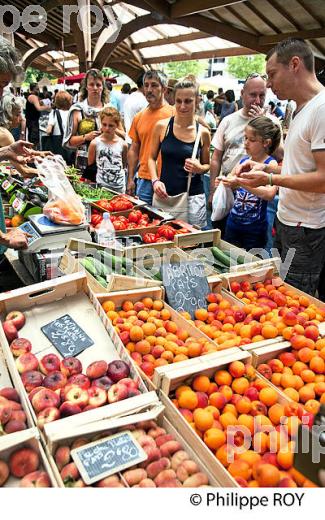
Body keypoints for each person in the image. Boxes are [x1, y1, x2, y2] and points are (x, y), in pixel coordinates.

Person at [236, 38, 325, 296]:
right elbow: (299, 166)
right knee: (278, 292)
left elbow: (322, 179)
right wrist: (267, 169)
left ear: (295, 64)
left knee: (295, 300)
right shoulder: (301, 109)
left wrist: (271, 180)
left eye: (272, 74)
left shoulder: (321, 109)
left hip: (306, 228)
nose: (269, 84)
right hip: (288, 220)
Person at [209, 72, 283, 235]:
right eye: (253, 95)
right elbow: (216, 158)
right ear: (242, 94)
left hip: (258, 198)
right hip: (229, 191)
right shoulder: (228, 120)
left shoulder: (273, 122)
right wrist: (213, 190)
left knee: (253, 241)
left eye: (262, 95)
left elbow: (281, 156)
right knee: (225, 238)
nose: (257, 100)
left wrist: (263, 124)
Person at [148, 80, 211, 228]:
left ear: (197, 100)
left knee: (192, 242)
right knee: (163, 238)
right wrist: (155, 181)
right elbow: (151, 158)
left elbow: (207, 164)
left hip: (193, 197)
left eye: (188, 101)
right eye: (179, 101)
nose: (182, 106)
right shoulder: (162, 126)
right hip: (165, 194)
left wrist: (199, 168)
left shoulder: (203, 132)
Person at [215, 116, 280, 250]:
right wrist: (223, 181)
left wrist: (240, 182)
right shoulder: (243, 161)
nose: (246, 143)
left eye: (251, 140)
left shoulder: (271, 164)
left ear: (266, 143)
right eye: (245, 138)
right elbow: (230, 180)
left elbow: (269, 194)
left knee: (251, 264)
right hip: (233, 223)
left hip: (255, 229)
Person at [127, 70, 174, 204]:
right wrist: (130, 179)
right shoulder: (139, 117)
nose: (149, 89)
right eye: (146, 85)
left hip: (167, 179)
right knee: (144, 219)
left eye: (154, 85)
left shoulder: (174, 114)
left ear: (164, 89)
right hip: (144, 179)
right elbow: (134, 149)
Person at [63, 69, 109, 181]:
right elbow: (68, 141)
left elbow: (122, 136)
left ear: (103, 87)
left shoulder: (109, 110)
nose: (95, 88)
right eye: (91, 84)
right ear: (86, 87)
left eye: (98, 85)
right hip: (83, 165)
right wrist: (86, 137)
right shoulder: (77, 110)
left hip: (106, 164)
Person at [88, 107, 127, 193]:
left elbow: (123, 165)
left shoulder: (123, 144)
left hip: (119, 187)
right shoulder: (95, 143)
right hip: (102, 186)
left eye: (111, 125)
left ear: (116, 125)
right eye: (104, 124)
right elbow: (90, 165)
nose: (107, 128)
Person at [45, 90, 74, 163]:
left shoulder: (54, 113)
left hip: (57, 143)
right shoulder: (72, 113)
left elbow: (49, 130)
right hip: (71, 142)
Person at [123, 72, 147, 145]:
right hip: (139, 142)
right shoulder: (144, 100)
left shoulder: (129, 98)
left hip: (128, 139)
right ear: (144, 85)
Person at [25, 83, 51, 149]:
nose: (38, 90)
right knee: (34, 140)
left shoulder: (32, 96)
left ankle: (32, 151)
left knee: (33, 139)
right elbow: (38, 108)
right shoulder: (33, 97)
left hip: (31, 121)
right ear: (32, 89)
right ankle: (33, 153)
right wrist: (47, 107)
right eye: (37, 89)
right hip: (33, 121)